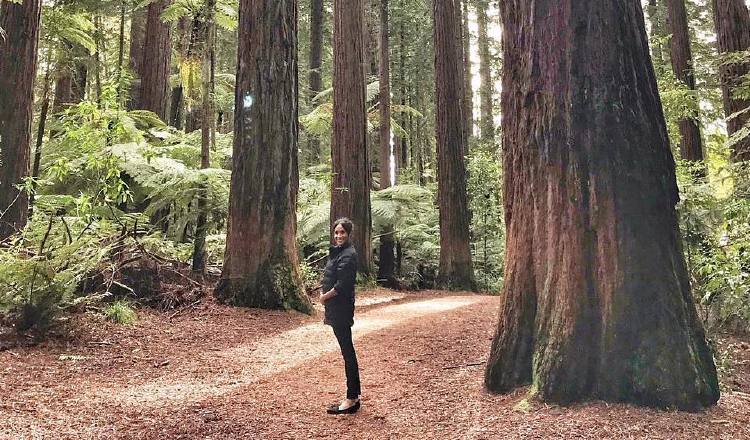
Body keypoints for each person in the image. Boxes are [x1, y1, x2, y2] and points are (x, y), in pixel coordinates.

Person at [319, 217, 361, 415]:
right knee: (347, 350)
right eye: (336, 233)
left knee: (347, 352)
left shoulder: (349, 254)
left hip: (341, 308)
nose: (338, 236)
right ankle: (353, 396)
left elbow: (342, 284)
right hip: (336, 308)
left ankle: (351, 399)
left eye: (342, 232)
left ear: (348, 234)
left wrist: (324, 297)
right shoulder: (338, 252)